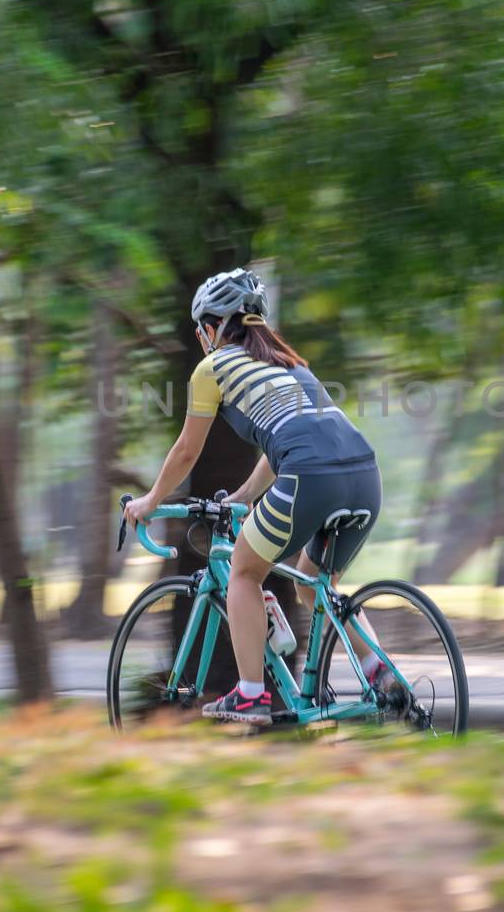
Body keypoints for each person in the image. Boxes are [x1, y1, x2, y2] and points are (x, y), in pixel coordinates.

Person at [123, 268, 382, 724]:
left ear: (211, 327)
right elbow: (288, 440)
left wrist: (148, 501)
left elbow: (186, 452)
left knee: (243, 572)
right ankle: (381, 673)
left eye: (200, 328)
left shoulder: (213, 368)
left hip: (309, 477)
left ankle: (249, 693)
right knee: (313, 584)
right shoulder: (290, 364)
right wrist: (244, 494)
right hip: (364, 476)